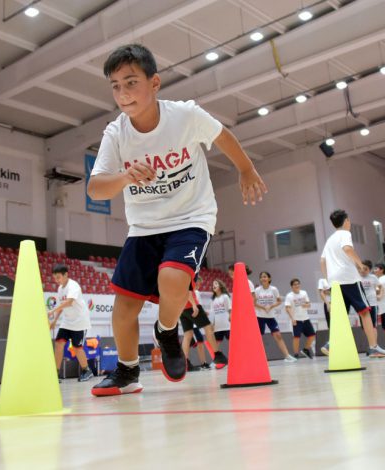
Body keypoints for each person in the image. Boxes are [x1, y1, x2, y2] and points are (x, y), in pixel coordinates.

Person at [88, 44, 267, 396]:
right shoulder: (116, 133)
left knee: (172, 277)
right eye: (115, 86)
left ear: (154, 83)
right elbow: (95, 188)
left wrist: (246, 169)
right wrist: (125, 177)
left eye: (131, 82)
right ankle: (127, 372)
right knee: (123, 307)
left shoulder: (185, 115)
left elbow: (222, 136)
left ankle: (167, 329)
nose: (123, 94)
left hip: (191, 216)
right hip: (144, 226)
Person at [320, 209, 385, 358]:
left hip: (334, 281)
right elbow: (347, 248)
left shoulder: (329, 240)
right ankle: (373, 347)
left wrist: (328, 279)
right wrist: (360, 264)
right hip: (349, 278)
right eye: (349, 220)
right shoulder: (345, 234)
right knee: (365, 312)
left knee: (340, 315)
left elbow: (322, 261)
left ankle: (330, 344)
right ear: (346, 221)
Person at [47, 264, 94, 382]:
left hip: (79, 322)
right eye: (55, 278)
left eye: (58, 277)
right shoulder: (60, 289)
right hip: (67, 322)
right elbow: (62, 306)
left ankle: (86, 370)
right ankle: (55, 374)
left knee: (77, 348)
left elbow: (69, 302)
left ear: (66, 275)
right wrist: (54, 321)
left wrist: (52, 311)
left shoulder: (73, 286)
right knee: (58, 344)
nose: (57, 280)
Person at [180, 277, 228, 370]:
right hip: (190, 305)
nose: (198, 285)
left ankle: (184, 363)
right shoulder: (191, 273)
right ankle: (218, 357)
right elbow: (187, 290)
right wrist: (194, 305)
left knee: (188, 334)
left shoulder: (178, 276)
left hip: (181, 307)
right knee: (208, 327)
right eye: (198, 283)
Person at [254, 272, 297, 362]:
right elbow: (253, 303)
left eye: (265, 277)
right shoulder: (257, 290)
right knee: (257, 338)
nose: (263, 278)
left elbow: (279, 301)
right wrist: (263, 307)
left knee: (278, 335)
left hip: (271, 316)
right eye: (261, 277)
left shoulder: (274, 289)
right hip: (259, 317)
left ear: (269, 278)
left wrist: (271, 306)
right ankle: (257, 358)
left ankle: (287, 356)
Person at [285, 278, 315, 359]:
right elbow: (287, 308)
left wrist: (306, 305)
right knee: (296, 337)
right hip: (296, 319)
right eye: (295, 284)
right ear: (292, 286)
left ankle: (306, 349)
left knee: (312, 335)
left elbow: (309, 304)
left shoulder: (304, 293)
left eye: (298, 284)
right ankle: (296, 354)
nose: (297, 285)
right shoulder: (289, 296)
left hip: (306, 318)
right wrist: (292, 318)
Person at [210, 279, 231, 362]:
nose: (213, 286)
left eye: (216, 284)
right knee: (216, 344)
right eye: (213, 284)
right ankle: (216, 359)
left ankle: (234, 358)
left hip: (227, 325)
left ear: (220, 286)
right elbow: (212, 313)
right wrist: (212, 324)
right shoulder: (213, 300)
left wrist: (230, 316)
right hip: (218, 327)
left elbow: (230, 309)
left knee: (232, 342)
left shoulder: (225, 297)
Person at [318, 278, 332, 355]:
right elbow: (322, 292)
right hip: (329, 304)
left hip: (340, 303)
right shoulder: (322, 280)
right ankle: (328, 346)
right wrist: (327, 303)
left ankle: (328, 346)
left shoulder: (335, 277)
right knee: (332, 326)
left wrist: (328, 291)